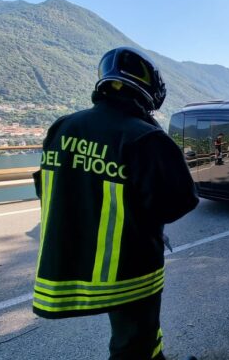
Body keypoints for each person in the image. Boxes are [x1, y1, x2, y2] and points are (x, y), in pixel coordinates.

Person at [32, 47, 199, 360]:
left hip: (72, 259)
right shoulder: (145, 136)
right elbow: (180, 201)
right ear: (149, 91)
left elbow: (50, 189)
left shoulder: (62, 127)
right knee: (132, 344)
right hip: (129, 267)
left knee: (140, 338)